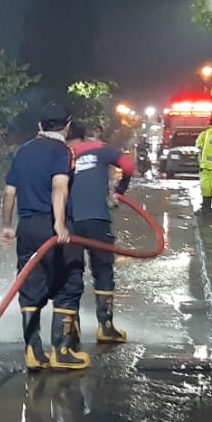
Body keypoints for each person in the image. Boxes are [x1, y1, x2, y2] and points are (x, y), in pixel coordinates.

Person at [1, 103, 88, 371]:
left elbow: (9, 192)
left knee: (30, 286)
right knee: (69, 282)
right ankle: (61, 351)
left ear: (40, 126)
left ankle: (33, 352)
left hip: (26, 227)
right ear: (67, 125)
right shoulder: (63, 151)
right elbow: (58, 186)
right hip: (52, 227)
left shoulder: (22, 152)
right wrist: (60, 224)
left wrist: (7, 225)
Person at [68, 125, 136, 343]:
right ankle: (105, 327)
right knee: (103, 271)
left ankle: (70, 328)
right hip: (97, 220)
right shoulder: (100, 149)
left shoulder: (61, 154)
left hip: (70, 222)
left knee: (70, 273)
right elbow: (128, 164)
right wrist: (119, 190)